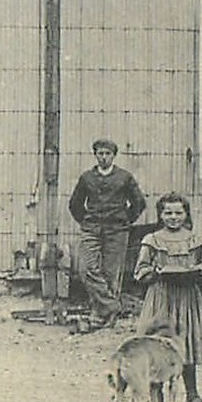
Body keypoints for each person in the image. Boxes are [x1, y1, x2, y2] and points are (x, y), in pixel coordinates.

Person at [132, 193, 202, 402]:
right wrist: (157, 273)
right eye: (168, 212)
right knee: (159, 345)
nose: (173, 217)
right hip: (161, 298)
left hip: (187, 300)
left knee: (187, 343)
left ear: (186, 214)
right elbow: (139, 271)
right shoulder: (152, 240)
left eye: (178, 212)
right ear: (160, 215)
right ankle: (154, 398)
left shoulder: (195, 240)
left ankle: (193, 397)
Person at [69, 138, 146, 329]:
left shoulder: (125, 177)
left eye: (107, 154)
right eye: (100, 154)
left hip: (117, 230)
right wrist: (87, 221)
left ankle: (101, 317)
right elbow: (75, 204)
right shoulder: (87, 178)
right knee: (86, 269)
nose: (104, 157)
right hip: (92, 229)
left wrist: (125, 221)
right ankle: (113, 306)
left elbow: (139, 203)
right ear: (95, 155)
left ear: (114, 156)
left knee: (112, 274)